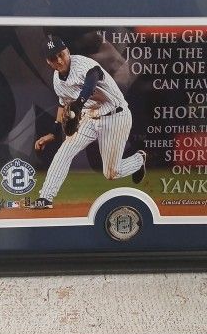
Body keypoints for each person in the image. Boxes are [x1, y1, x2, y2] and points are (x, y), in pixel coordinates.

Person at [31, 35, 146, 209]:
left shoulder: (82, 64)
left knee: (111, 173)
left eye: (61, 54)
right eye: (53, 58)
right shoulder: (57, 81)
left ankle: (139, 159)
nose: (59, 60)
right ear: (48, 62)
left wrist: (78, 104)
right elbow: (63, 104)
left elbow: (93, 78)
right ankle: (45, 198)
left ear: (67, 51)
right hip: (89, 118)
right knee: (63, 153)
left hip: (115, 116)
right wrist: (53, 132)